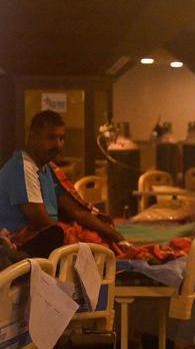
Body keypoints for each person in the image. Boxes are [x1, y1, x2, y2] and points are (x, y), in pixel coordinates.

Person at [0, 110, 125, 257]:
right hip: (23, 241)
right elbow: (41, 222)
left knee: (101, 235)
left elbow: (77, 212)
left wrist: (116, 236)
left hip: (52, 234)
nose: (58, 145)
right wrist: (75, 240)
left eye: (61, 138)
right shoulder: (22, 166)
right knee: (64, 236)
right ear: (32, 136)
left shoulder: (48, 169)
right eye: (51, 137)